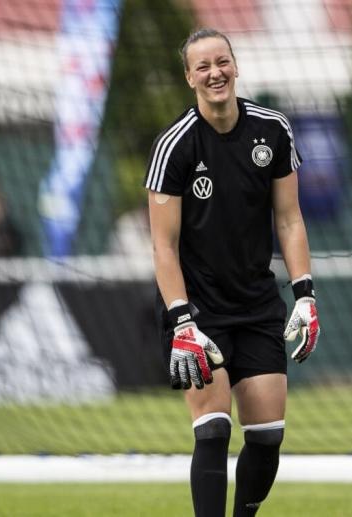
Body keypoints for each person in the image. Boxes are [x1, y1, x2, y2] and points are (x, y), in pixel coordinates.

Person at [144, 28, 320, 517]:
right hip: (197, 310)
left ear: (236, 66)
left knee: (266, 438)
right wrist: (181, 321)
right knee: (215, 427)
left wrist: (305, 294)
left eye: (222, 61)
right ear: (189, 78)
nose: (215, 72)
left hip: (257, 302)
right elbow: (163, 245)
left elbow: (289, 219)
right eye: (203, 66)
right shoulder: (174, 146)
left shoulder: (274, 129)